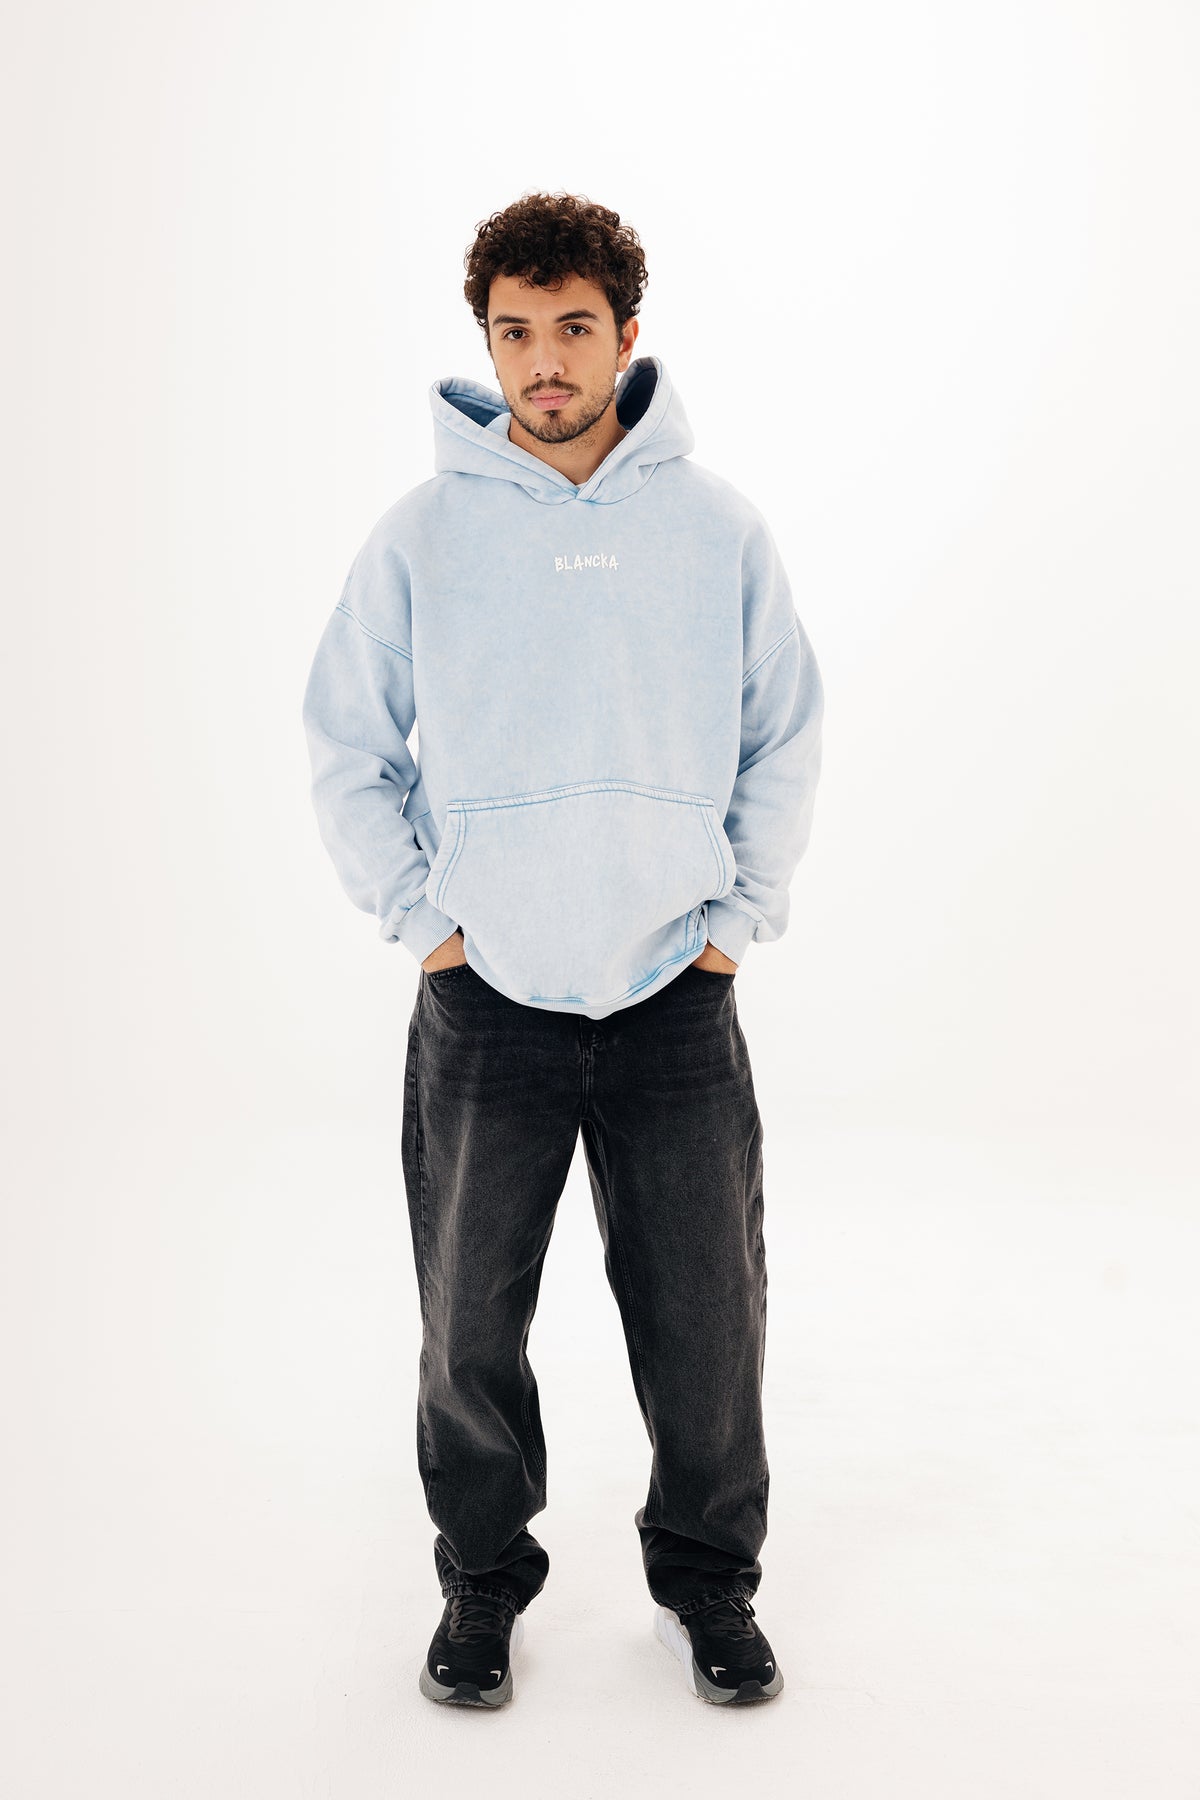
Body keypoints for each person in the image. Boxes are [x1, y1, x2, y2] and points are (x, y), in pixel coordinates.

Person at [301, 191, 825, 1708]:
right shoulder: (423, 537)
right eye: (516, 332)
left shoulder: (716, 530)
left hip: (674, 996)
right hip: (489, 1006)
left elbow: (783, 732)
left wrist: (734, 924)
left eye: (573, 328)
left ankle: (709, 1587)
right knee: (468, 1323)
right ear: (487, 344)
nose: (545, 361)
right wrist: (428, 927)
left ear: (625, 336)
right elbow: (346, 745)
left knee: (709, 1322)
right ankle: (481, 1584)